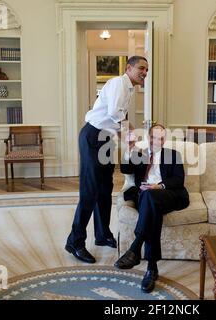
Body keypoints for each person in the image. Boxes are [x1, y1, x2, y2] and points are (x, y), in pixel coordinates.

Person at [65, 56, 149, 264]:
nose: (144, 73)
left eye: (147, 70)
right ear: (129, 68)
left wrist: (129, 143)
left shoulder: (129, 88)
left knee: (104, 188)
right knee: (90, 191)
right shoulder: (117, 83)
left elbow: (117, 120)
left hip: (105, 139)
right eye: (141, 68)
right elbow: (114, 114)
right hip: (93, 136)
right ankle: (75, 241)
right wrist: (129, 132)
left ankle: (102, 235)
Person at [114, 124, 190, 293]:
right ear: (149, 138)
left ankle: (135, 249)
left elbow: (178, 180)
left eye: (161, 138)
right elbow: (125, 169)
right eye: (154, 137)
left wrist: (159, 186)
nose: (158, 141)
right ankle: (151, 268)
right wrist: (128, 150)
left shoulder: (173, 155)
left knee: (150, 197)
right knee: (150, 206)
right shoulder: (140, 155)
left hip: (167, 194)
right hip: (145, 197)